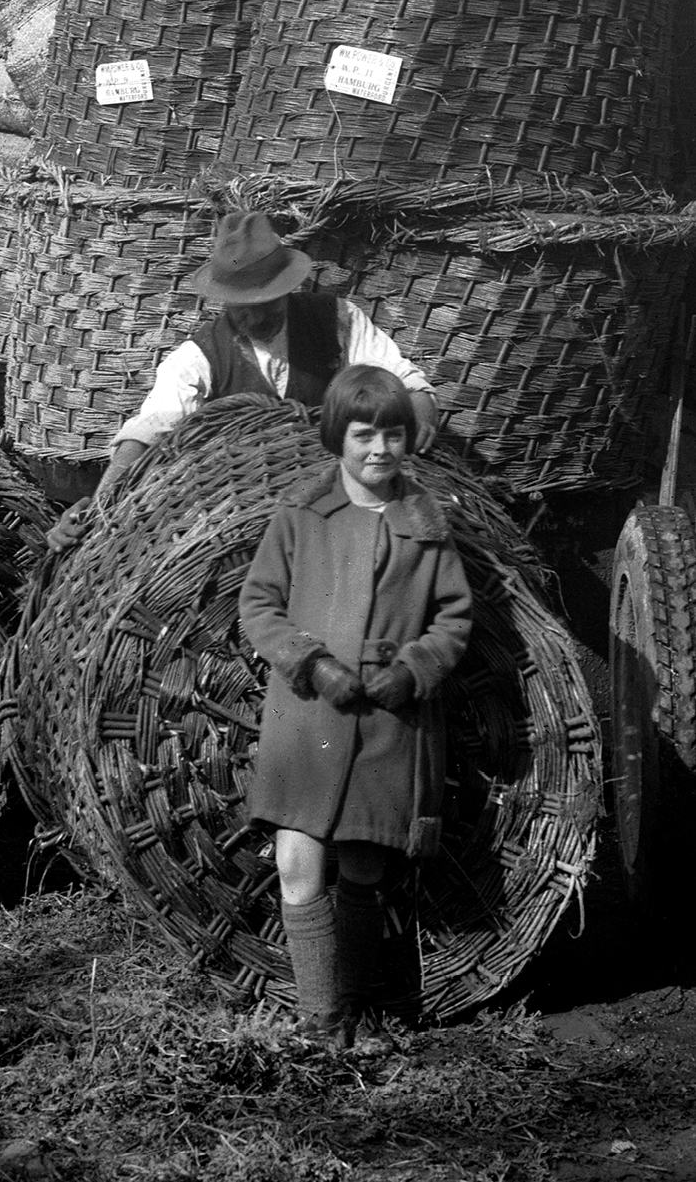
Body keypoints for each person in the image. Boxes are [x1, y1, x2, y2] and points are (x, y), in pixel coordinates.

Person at [238, 365, 473, 1051]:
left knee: (365, 865)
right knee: (296, 860)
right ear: (337, 437)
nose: (379, 449)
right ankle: (322, 1021)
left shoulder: (425, 524)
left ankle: (353, 1003)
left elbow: (454, 617)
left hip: (386, 720)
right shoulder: (303, 513)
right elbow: (260, 603)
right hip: (310, 713)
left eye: (393, 434)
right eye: (364, 434)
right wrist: (311, 662)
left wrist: (413, 670)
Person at [47, 211, 437, 548]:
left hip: (333, 486)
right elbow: (149, 428)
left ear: (287, 289)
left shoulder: (338, 319)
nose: (254, 317)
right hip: (240, 499)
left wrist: (419, 413)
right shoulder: (198, 357)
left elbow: (402, 378)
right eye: (241, 307)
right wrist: (103, 500)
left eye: (265, 303)